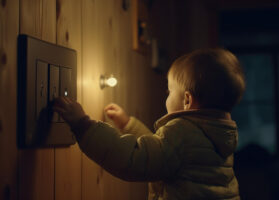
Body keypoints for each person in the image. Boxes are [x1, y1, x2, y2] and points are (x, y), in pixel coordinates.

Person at [53, 48, 245, 200]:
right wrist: (128, 125)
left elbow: (133, 159)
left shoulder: (183, 133)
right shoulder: (218, 137)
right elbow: (161, 153)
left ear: (187, 100)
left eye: (169, 91)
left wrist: (83, 125)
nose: (167, 96)